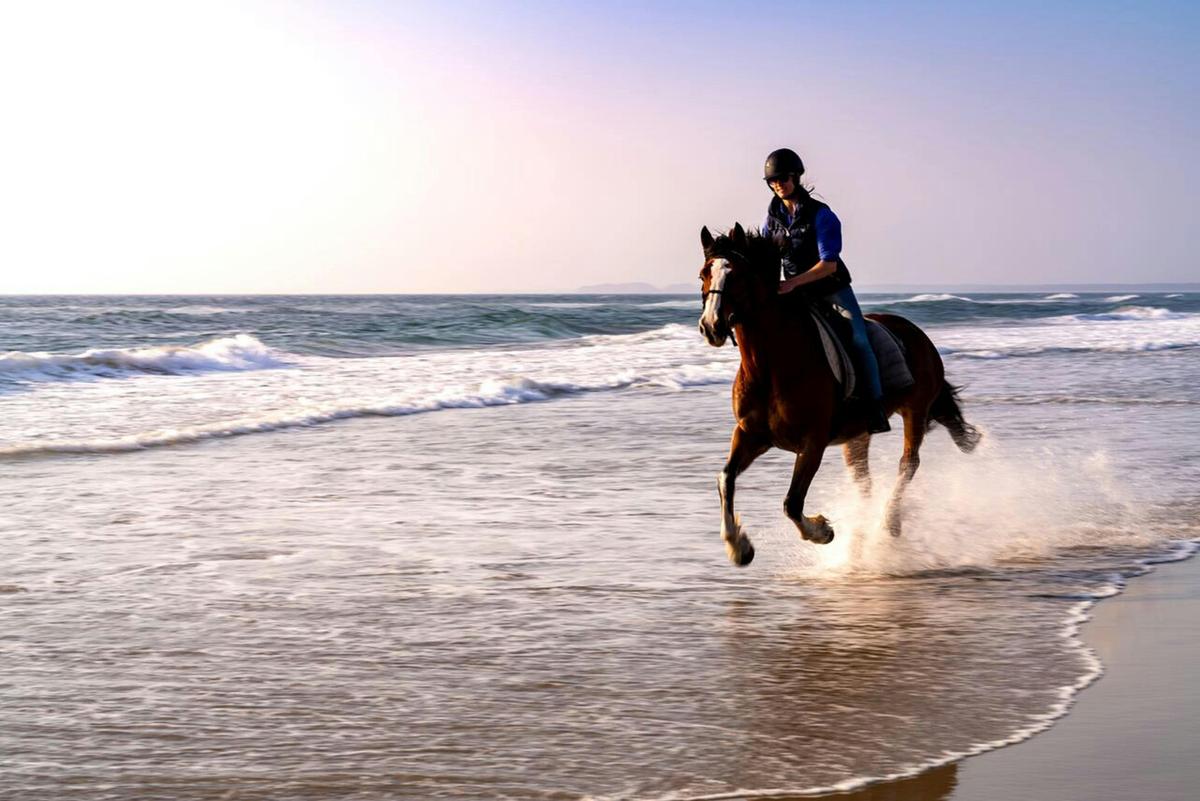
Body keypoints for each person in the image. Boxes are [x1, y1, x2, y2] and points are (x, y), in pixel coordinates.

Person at [761, 147, 891, 433]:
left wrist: (793, 282)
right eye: (772, 181)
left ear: (796, 177)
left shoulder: (822, 216)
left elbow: (828, 265)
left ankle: (875, 405)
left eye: (783, 178)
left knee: (859, 338)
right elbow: (765, 257)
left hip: (831, 288)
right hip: (795, 291)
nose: (778, 185)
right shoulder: (771, 218)